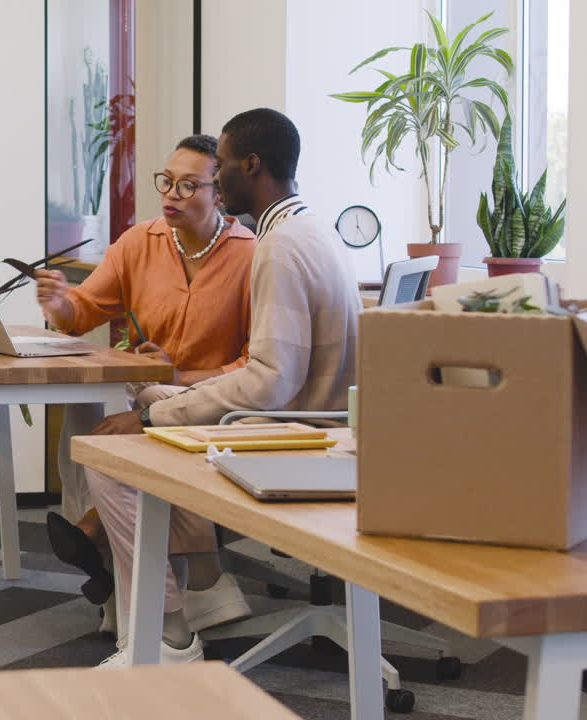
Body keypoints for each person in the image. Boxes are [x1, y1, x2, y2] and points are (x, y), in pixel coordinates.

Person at [84, 108, 361, 667]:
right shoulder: (309, 227)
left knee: (112, 458)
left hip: (301, 434)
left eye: (224, 167)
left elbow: (269, 383)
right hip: (328, 419)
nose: (218, 178)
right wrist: (162, 406)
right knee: (150, 398)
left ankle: (168, 638)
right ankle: (201, 585)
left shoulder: (276, 248)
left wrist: (150, 422)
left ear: (251, 166)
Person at [34, 135, 256, 625]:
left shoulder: (251, 255)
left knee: (151, 409)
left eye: (188, 185)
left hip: (219, 398)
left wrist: (182, 375)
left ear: (219, 194)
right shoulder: (140, 242)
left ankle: (112, 540)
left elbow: (255, 364)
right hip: (150, 388)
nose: (171, 195)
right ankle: (143, 566)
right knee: (91, 411)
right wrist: (59, 304)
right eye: (167, 181)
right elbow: (84, 309)